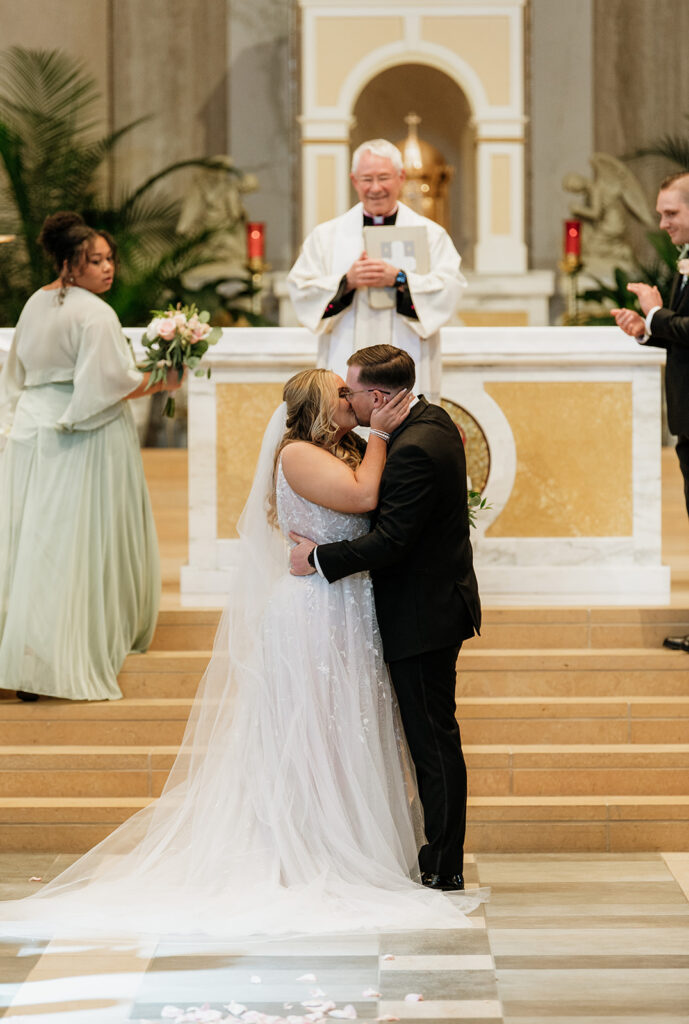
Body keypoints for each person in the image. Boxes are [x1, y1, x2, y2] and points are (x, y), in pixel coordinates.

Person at [0, 367, 485, 940]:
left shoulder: (346, 444)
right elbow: (363, 497)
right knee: (312, 731)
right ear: (320, 406)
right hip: (313, 611)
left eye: (352, 390)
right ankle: (307, 847)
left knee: (346, 729)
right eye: (341, 393)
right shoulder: (298, 454)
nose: (351, 399)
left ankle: (355, 841)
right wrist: (380, 436)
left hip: (348, 609)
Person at [290, 345, 481, 892]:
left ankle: (443, 865)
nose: (346, 399)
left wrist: (319, 558)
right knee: (428, 738)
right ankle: (432, 851)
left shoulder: (416, 444)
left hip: (423, 614)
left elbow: (393, 540)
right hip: (428, 605)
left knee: (432, 741)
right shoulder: (430, 419)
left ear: (378, 396)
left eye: (350, 391)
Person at [0, 211, 178, 701]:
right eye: (92, 260)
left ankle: (22, 658)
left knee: (28, 544)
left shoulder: (36, 303)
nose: (106, 268)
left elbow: (16, 371)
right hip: (81, 434)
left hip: (33, 429)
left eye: (108, 259)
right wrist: (168, 379)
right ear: (66, 263)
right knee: (76, 543)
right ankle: (54, 659)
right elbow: (109, 386)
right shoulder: (96, 313)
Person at [287, 139, 466, 403]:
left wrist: (400, 279)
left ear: (400, 178)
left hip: (409, 357)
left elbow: (450, 287)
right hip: (344, 356)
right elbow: (302, 289)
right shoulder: (326, 237)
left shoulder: (431, 235)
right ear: (354, 181)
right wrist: (347, 282)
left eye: (384, 178)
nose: (375, 188)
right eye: (366, 179)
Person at [611, 172, 689, 653]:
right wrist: (647, 328)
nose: (662, 222)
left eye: (671, 213)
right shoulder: (685, 262)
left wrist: (658, 312)